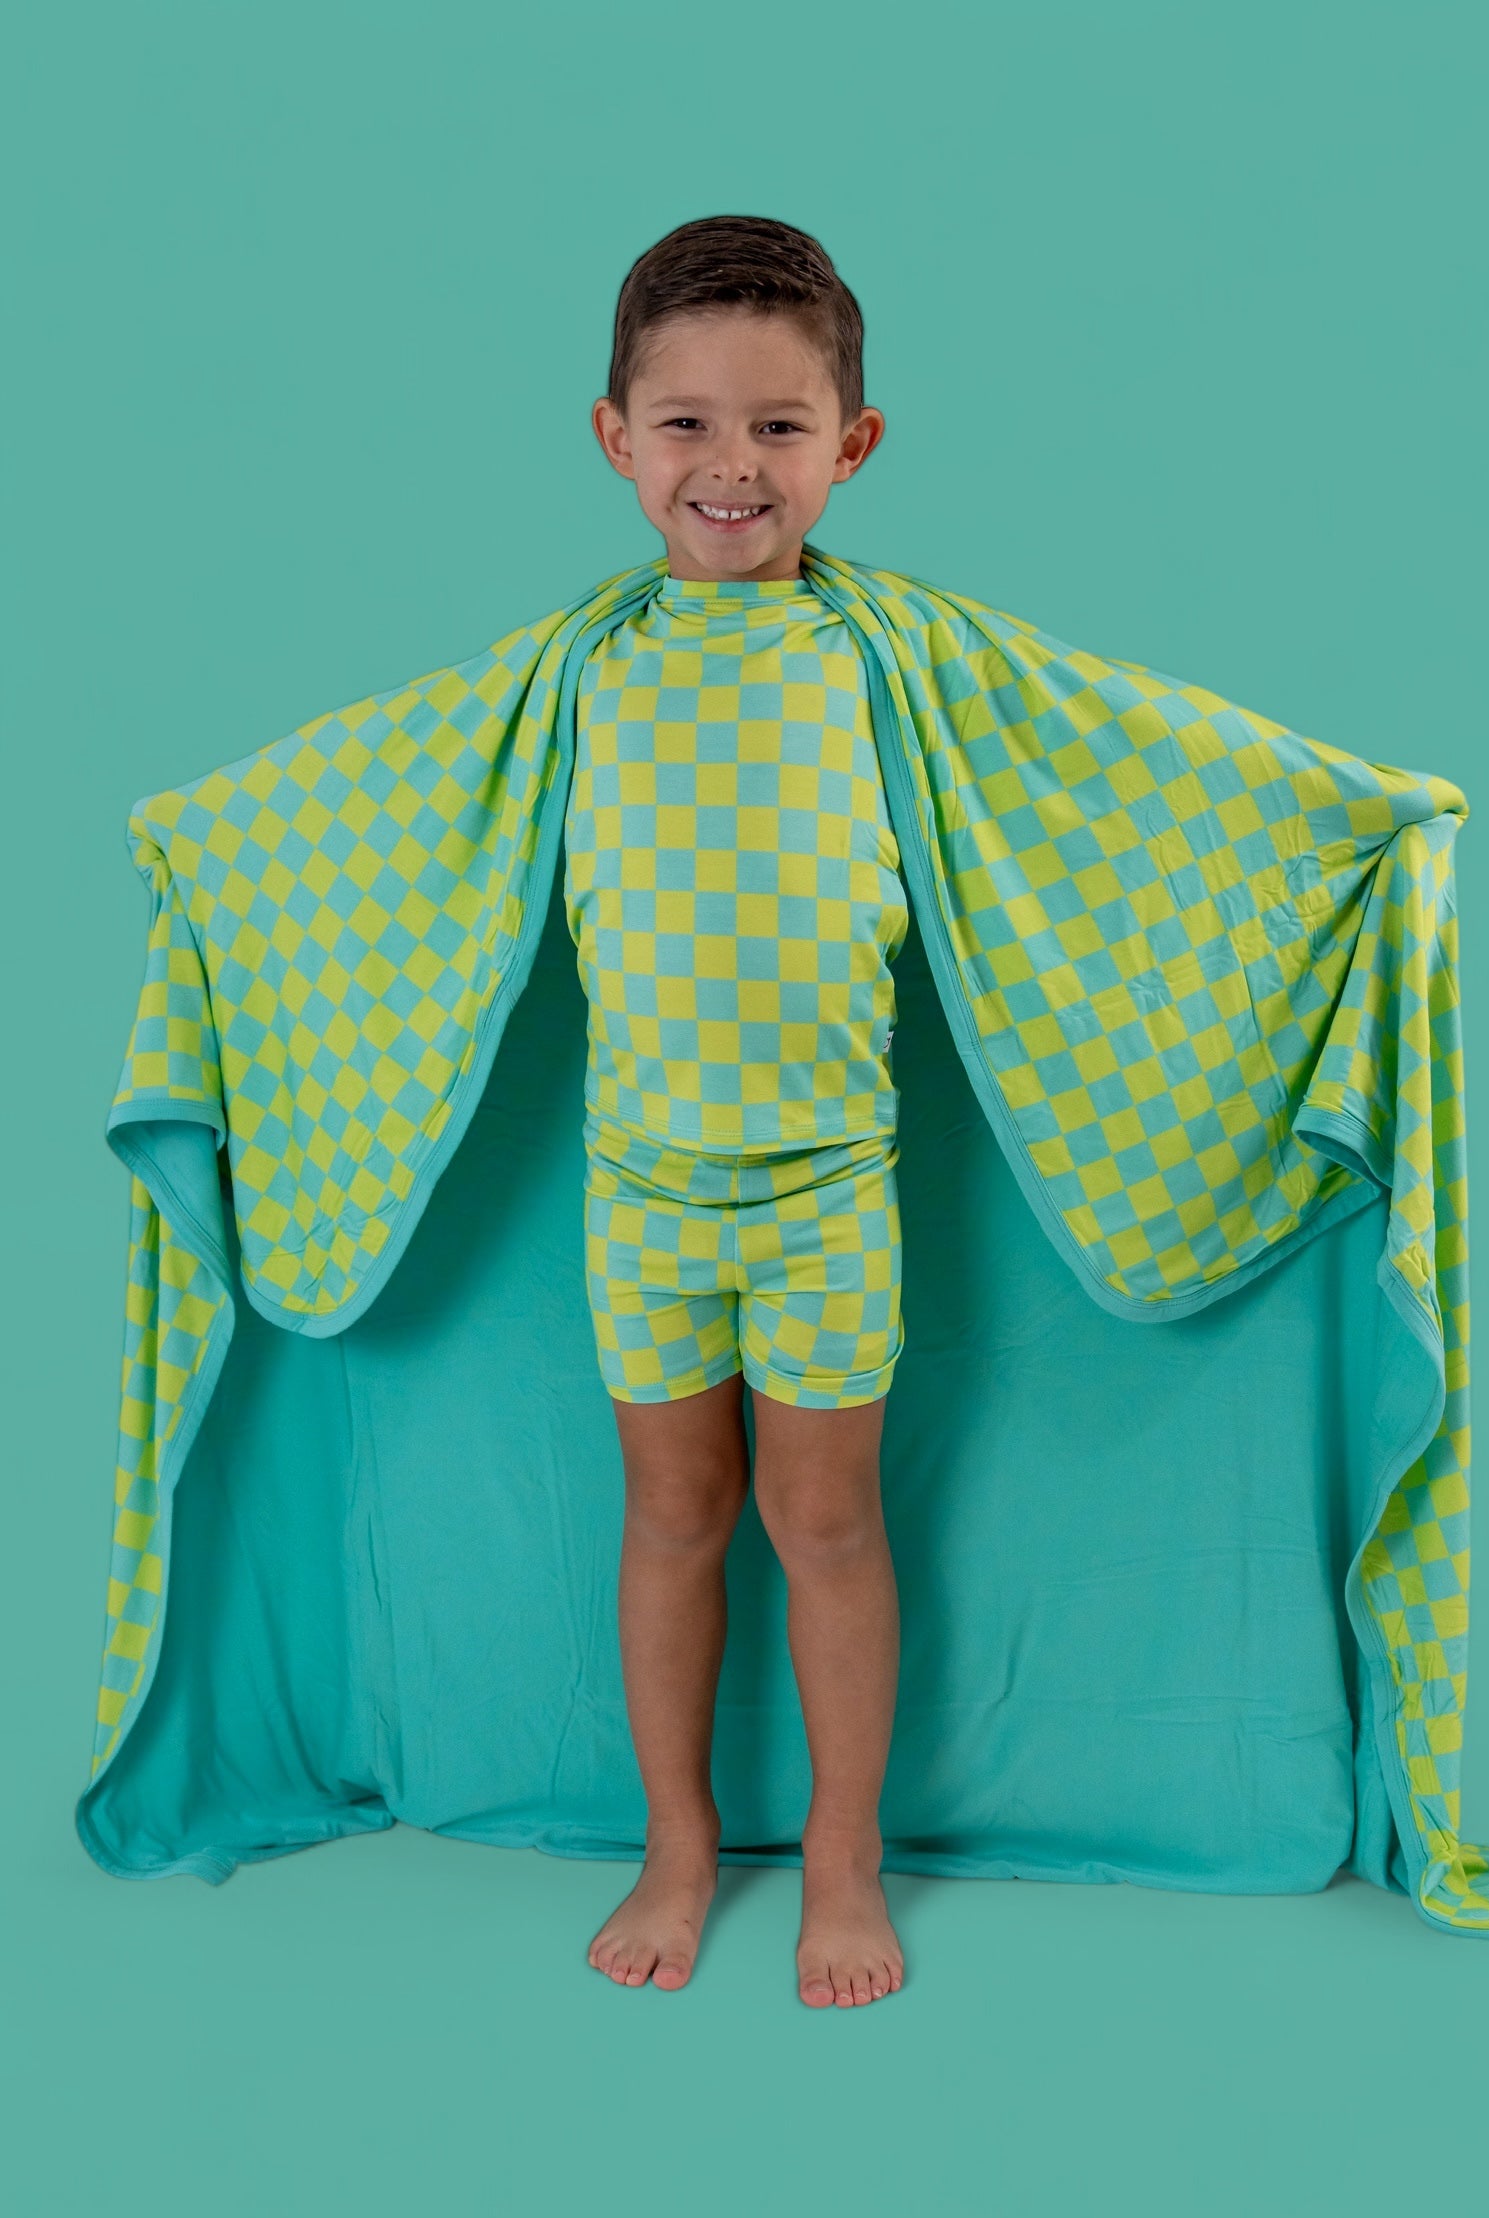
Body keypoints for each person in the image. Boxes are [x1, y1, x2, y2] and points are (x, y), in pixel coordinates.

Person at [571, 216, 904, 2008]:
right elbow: (386, 793)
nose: (732, 466)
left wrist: (1361, 817)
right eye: (686, 423)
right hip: (645, 1188)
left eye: (780, 427)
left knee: (827, 1524)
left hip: (829, 1190)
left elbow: (1106, 756)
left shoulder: (895, 661)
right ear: (616, 438)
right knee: (672, 1514)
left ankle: (843, 1856)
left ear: (851, 445)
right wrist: (200, 847)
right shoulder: (574, 673)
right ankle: (679, 1842)